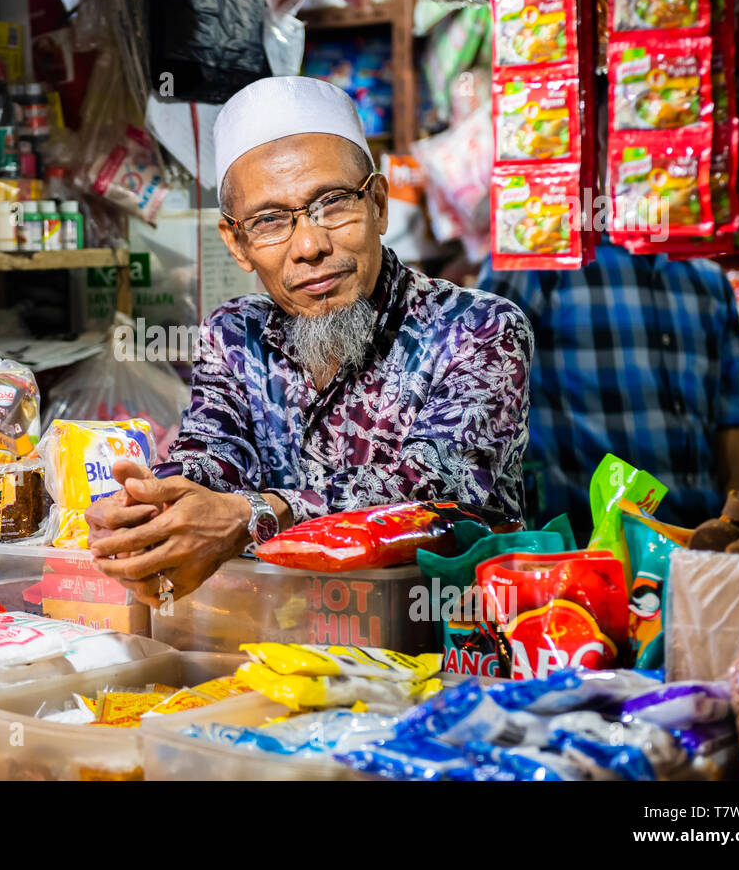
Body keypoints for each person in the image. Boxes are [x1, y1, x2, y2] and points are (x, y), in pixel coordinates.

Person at [85, 76, 534, 607]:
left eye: (333, 204)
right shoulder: (234, 333)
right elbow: (216, 452)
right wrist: (155, 501)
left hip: (442, 642)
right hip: (277, 636)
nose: (309, 246)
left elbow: (441, 489)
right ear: (237, 242)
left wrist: (258, 513)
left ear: (380, 205)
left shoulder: (478, 328)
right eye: (270, 221)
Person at [477, 241, 739, 542]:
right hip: (582, 549)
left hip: (696, 547)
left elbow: (732, 428)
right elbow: (473, 401)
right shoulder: (537, 258)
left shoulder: (710, 281)